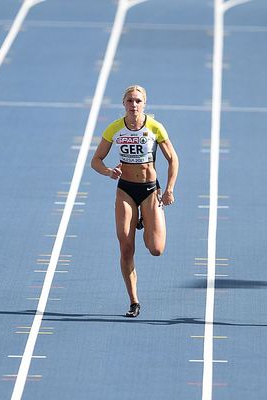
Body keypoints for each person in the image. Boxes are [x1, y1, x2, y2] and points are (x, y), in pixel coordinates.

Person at [91, 85, 179, 317]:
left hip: (150, 190)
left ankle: (145, 220)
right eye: (130, 101)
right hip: (126, 191)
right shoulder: (115, 129)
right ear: (124, 104)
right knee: (126, 247)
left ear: (144, 104)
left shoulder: (154, 127)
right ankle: (134, 301)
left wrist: (169, 189)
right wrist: (109, 171)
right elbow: (96, 160)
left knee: (156, 249)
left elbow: (173, 160)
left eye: (138, 101)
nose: (134, 105)